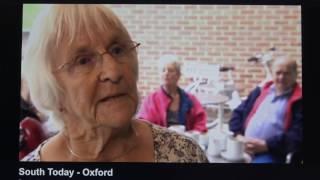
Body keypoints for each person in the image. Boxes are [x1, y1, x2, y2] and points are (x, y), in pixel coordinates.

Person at [21, 5, 207, 162]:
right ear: (51, 86)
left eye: (117, 49)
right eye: (83, 60)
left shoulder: (185, 155)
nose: (114, 71)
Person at [229, 56, 302, 163]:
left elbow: (298, 135)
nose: (281, 77)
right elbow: (238, 113)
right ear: (272, 74)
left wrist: (266, 145)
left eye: (286, 73)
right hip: (243, 146)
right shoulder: (260, 91)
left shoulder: (299, 100)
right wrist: (238, 136)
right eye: (278, 73)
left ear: (295, 75)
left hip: (273, 152)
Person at [137, 54, 207, 133]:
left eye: (170, 70)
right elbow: (143, 125)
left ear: (178, 75)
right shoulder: (151, 100)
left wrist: (192, 134)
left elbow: (200, 122)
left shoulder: (190, 99)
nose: (166, 73)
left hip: (186, 142)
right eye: (163, 70)